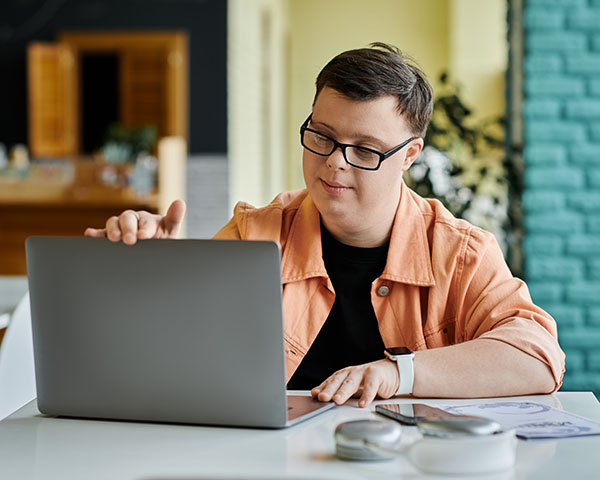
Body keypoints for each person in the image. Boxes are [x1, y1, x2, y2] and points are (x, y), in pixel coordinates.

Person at [85, 43, 565, 408]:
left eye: (364, 149)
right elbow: (170, 355)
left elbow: (538, 356)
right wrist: (153, 273)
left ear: (409, 157)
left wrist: (399, 374)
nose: (334, 164)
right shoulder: (255, 234)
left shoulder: (460, 253)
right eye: (322, 136)